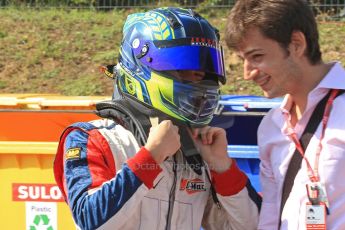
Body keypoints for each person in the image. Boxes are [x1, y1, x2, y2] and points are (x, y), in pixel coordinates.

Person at [53, 7, 261, 230]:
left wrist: (223, 167)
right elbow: (89, 219)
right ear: (141, 65)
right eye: (183, 69)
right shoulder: (92, 139)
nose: (197, 79)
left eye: (202, 72)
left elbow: (254, 226)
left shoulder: (196, 153)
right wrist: (151, 157)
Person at [225, 0, 345, 229]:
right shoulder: (272, 125)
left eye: (257, 56)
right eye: (243, 59)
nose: (247, 73)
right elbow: (271, 214)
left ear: (297, 44)